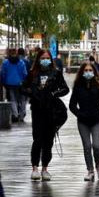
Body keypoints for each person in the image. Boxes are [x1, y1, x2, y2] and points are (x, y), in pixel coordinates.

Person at [25, 53, 69, 181]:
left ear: (50, 60)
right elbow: (23, 87)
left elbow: (65, 89)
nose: (45, 60)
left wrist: (53, 94)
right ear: (38, 59)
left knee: (48, 141)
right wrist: (33, 93)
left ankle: (45, 168)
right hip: (37, 110)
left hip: (51, 110)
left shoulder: (56, 73)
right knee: (37, 139)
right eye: (42, 58)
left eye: (47, 58)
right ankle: (34, 168)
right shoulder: (32, 73)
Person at [69, 62, 99, 181]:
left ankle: (98, 166)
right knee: (87, 146)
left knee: (96, 146)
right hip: (83, 121)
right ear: (82, 72)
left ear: (94, 72)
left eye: (90, 70)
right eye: (86, 70)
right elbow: (72, 105)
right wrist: (79, 114)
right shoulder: (78, 86)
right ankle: (90, 170)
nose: (88, 72)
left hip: (96, 120)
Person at [0, 48, 28, 123]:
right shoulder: (21, 62)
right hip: (20, 83)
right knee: (22, 99)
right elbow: (25, 73)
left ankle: (15, 114)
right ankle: (22, 115)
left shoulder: (5, 62)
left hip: (9, 83)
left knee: (13, 99)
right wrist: (24, 81)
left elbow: (2, 73)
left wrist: (3, 82)